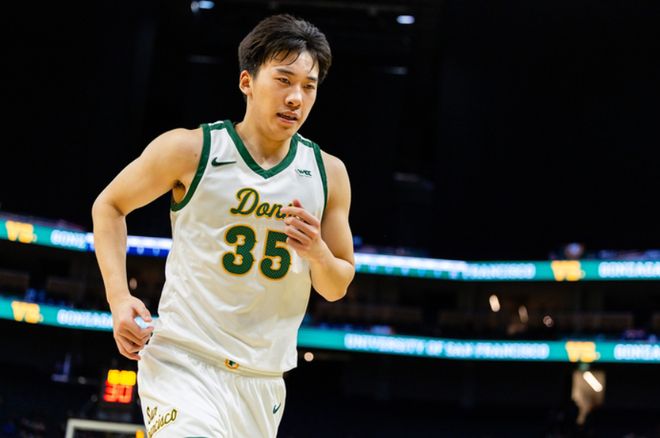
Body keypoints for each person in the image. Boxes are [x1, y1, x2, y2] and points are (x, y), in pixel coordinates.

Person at [92, 13, 354, 437]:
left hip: (263, 379)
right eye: (283, 80)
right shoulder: (190, 150)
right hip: (182, 362)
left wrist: (318, 253)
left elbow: (336, 285)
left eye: (309, 87)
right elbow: (109, 206)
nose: (296, 98)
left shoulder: (329, 174)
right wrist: (119, 299)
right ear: (247, 81)